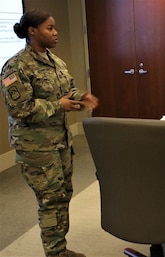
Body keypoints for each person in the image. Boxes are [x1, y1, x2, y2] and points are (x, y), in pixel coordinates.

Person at [0, 9, 98, 257]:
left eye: (55, 28)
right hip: (36, 148)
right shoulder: (15, 67)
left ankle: (59, 249)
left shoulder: (56, 62)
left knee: (63, 195)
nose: (56, 33)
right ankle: (55, 253)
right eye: (50, 28)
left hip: (60, 142)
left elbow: (68, 90)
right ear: (32, 31)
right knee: (49, 200)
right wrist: (59, 106)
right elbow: (20, 109)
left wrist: (81, 96)